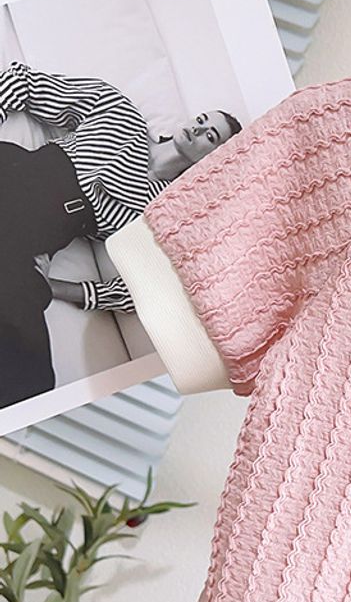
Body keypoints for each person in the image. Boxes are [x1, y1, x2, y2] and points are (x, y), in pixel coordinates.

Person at [0, 58, 241, 407]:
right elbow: (23, 83)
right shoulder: (118, 112)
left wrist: (54, 287)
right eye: (202, 120)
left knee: (33, 380)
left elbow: (137, 290)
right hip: (15, 177)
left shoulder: (163, 214)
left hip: (29, 245)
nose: (198, 128)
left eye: (210, 136)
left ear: (213, 161)